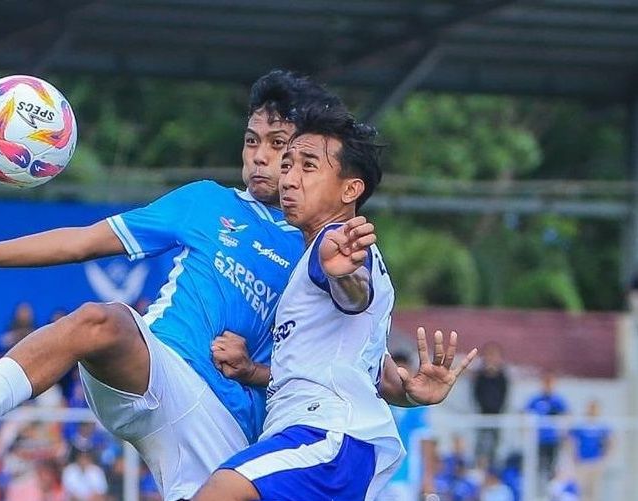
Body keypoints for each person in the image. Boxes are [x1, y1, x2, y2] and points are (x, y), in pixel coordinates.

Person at [0, 70, 342, 500]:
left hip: (227, 430)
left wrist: (254, 372)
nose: (260, 156)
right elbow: (81, 242)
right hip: (157, 372)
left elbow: (339, 371)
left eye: (277, 144)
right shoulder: (206, 202)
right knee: (102, 321)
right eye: (252, 141)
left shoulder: (321, 245)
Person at [192, 104, 477, 500]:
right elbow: (372, 373)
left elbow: (353, 295)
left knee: (220, 490)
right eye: (287, 165)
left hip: (325, 438)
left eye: (308, 166)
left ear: (350, 189)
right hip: (335, 446)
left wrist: (342, 274)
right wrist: (410, 392)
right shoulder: (321, 253)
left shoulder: (336, 244)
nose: (288, 179)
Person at [378, 352, 438, 501]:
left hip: (405, 478)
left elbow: (425, 442)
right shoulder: (379, 402)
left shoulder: (417, 408)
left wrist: (428, 479)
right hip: (376, 476)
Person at [526, 371, 568, 483]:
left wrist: (563, 433)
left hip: (553, 440)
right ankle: (539, 490)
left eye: (550, 383)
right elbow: (525, 412)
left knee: (551, 468)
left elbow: (566, 415)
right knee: (538, 467)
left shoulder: (558, 400)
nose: (548, 385)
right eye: (546, 382)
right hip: (538, 440)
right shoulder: (536, 399)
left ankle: (550, 491)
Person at [473, 341, 509, 467]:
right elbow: (476, 395)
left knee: (495, 447)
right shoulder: (480, 376)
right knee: (480, 445)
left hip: (496, 416)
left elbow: (503, 396)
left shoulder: (502, 377)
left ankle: (493, 468)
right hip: (481, 416)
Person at [569, 400, 610, 501]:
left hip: (596, 462)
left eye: (594, 408)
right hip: (582, 462)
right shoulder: (580, 426)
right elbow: (570, 440)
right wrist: (574, 455)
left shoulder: (602, 426)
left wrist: (605, 458)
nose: (592, 411)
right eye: (590, 408)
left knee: (594, 490)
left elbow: (611, 441)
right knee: (580, 489)